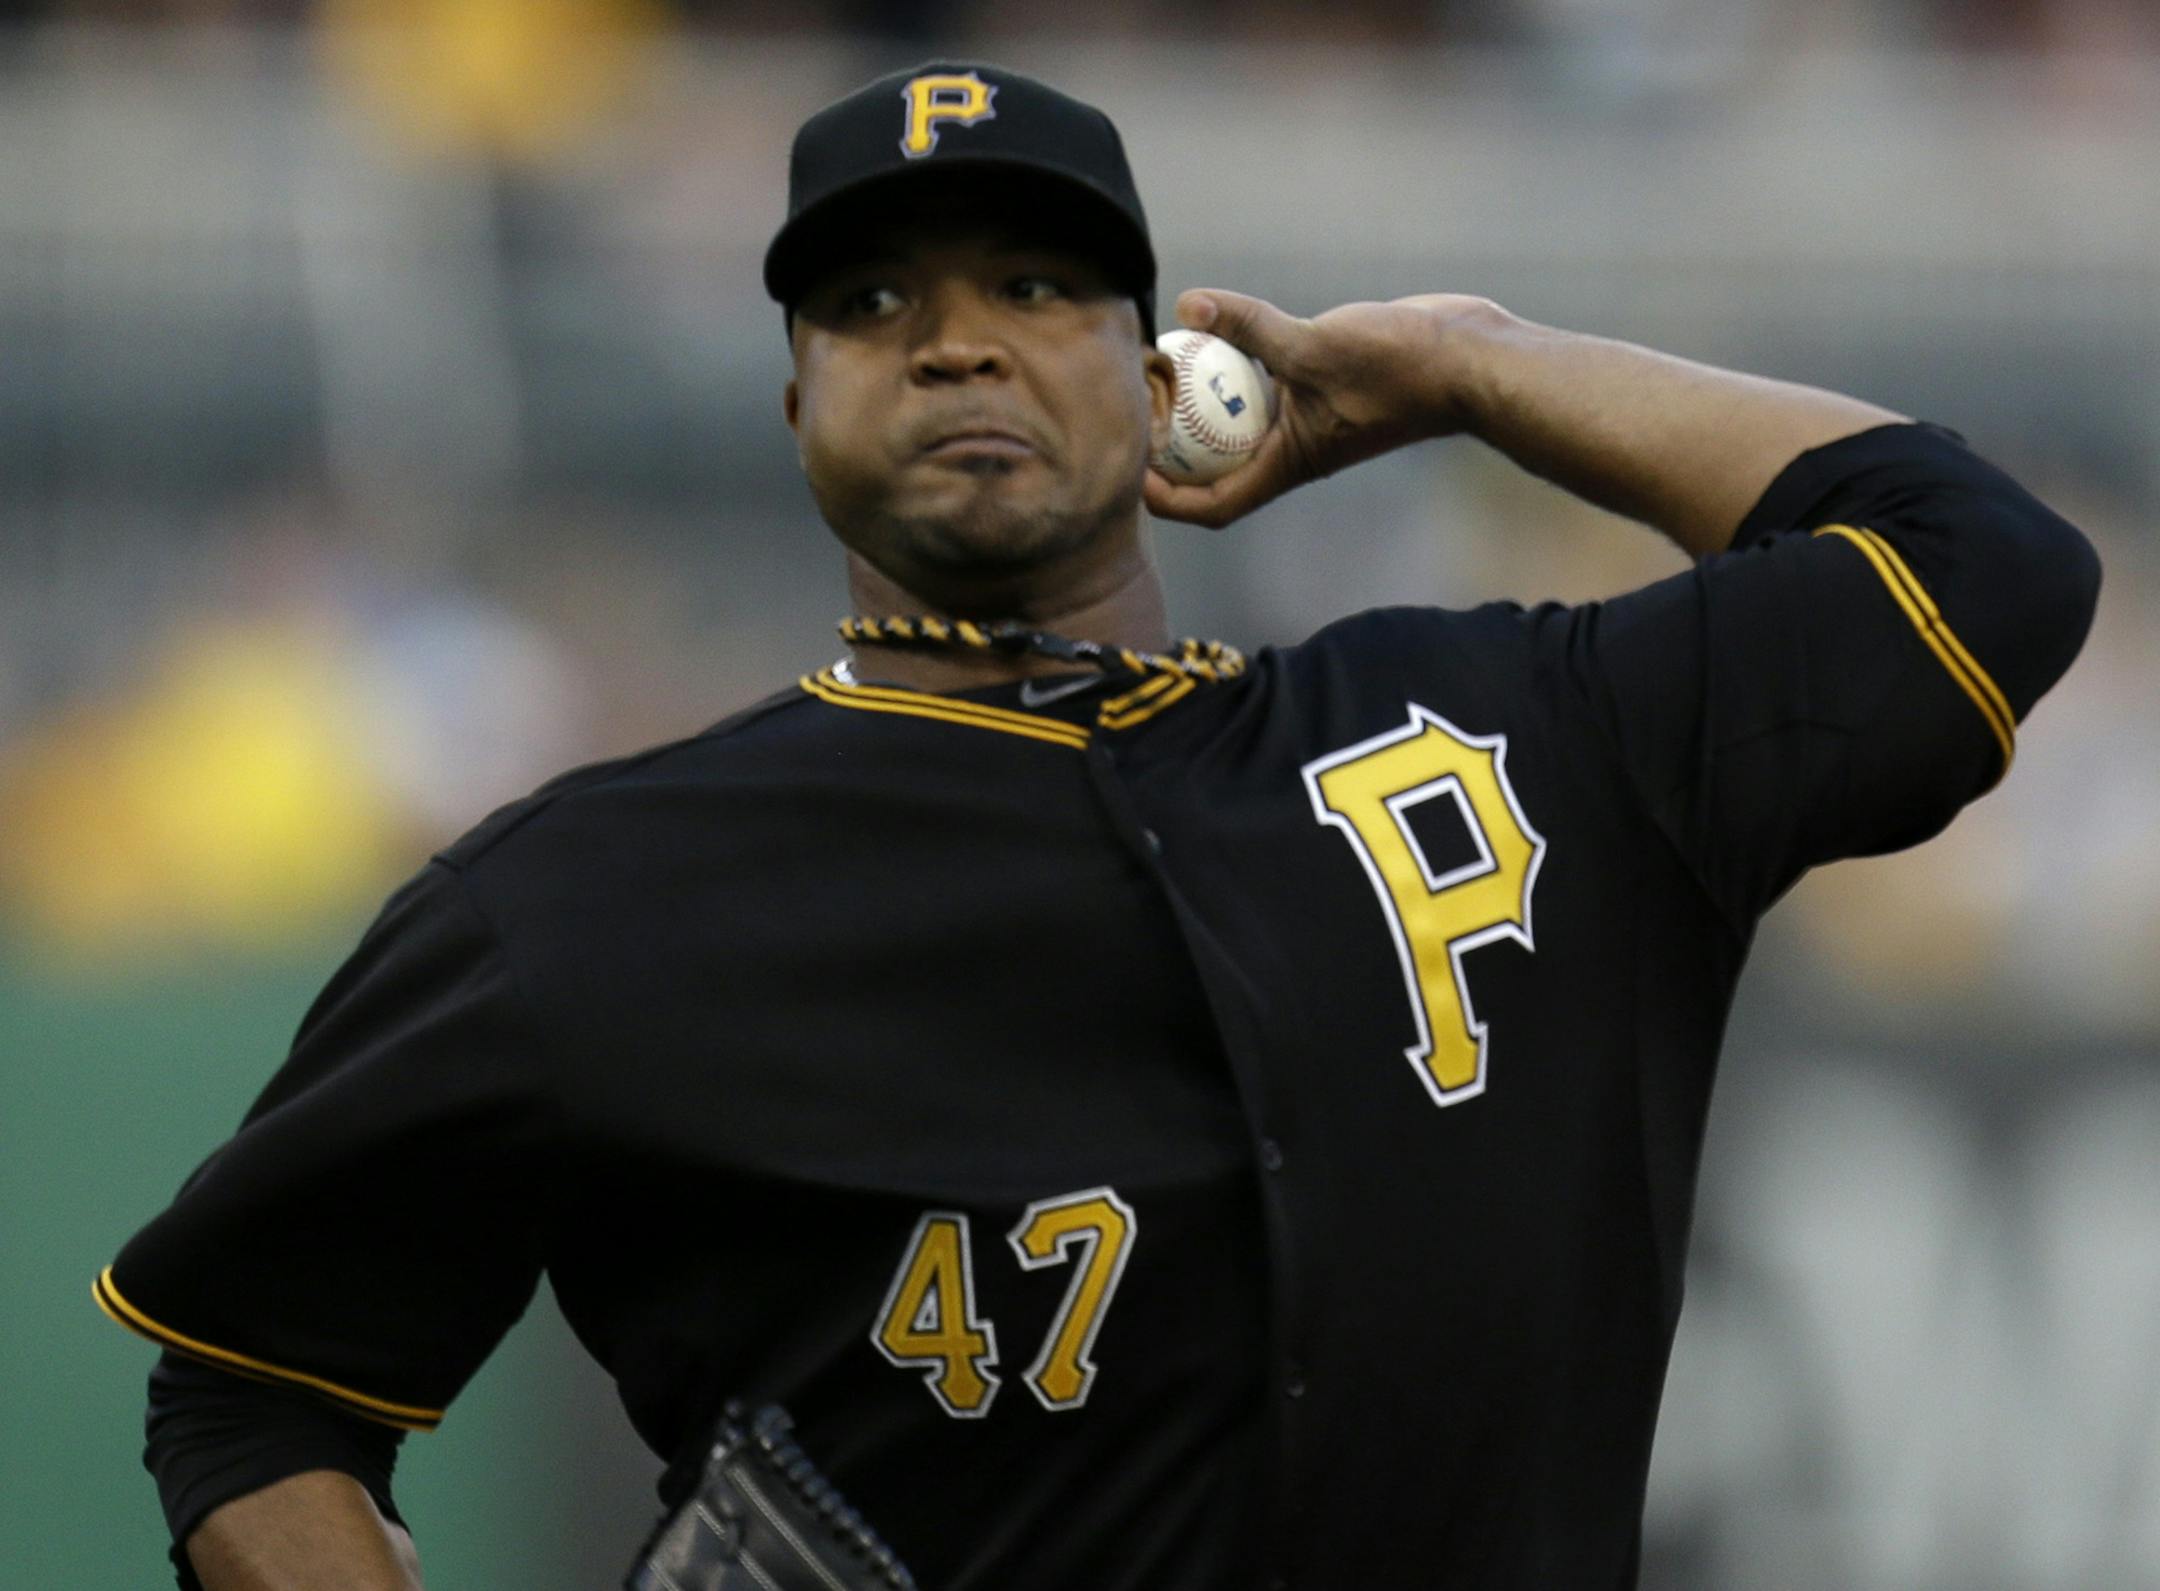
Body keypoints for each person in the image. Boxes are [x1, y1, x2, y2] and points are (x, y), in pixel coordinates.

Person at [95, 60, 2100, 1591]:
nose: (955, 337)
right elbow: (252, 1382)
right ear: (796, 409)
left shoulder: (1508, 728)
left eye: (1036, 284)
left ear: (1167, 387)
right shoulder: (594, 891)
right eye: (873, 301)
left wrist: (1476, 366)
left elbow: (1980, 567)